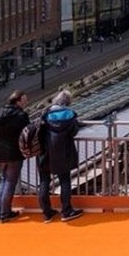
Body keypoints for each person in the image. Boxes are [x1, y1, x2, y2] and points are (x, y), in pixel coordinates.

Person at [38, 90, 83, 222]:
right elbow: (74, 132)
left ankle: (46, 213)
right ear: (68, 102)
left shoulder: (45, 114)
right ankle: (66, 211)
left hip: (46, 151)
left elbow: (39, 131)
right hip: (63, 151)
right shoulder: (70, 115)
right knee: (65, 180)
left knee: (44, 181)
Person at [0, 90, 30, 223]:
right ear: (17, 101)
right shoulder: (21, 115)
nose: (26, 102)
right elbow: (26, 132)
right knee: (10, 182)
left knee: (4, 181)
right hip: (14, 152)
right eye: (24, 99)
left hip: (0, 153)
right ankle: (5, 213)